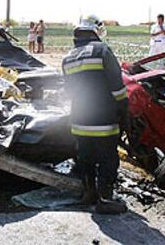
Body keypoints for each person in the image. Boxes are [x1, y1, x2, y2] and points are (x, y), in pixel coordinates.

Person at [62, 14, 128, 214]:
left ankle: (89, 193)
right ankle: (106, 199)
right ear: (96, 30)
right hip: (103, 119)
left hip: (79, 120)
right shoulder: (102, 50)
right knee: (108, 158)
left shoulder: (68, 58)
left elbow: (69, 92)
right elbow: (117, 86)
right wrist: (123, 110)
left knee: (85, 157)